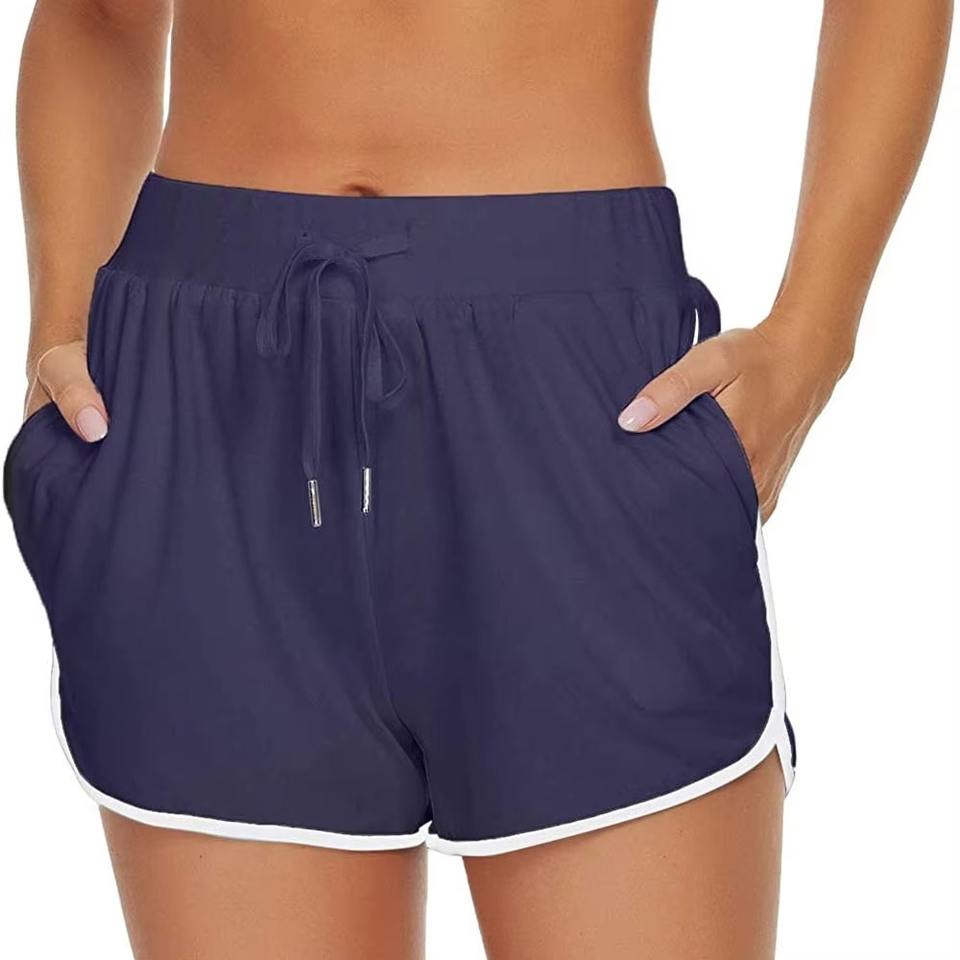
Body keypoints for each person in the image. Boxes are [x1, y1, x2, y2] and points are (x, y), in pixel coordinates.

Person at [7, 1, 951, 957]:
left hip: (572, 385)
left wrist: (815, 335)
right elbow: (97, 15)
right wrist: (59, 326)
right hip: (202, 400)